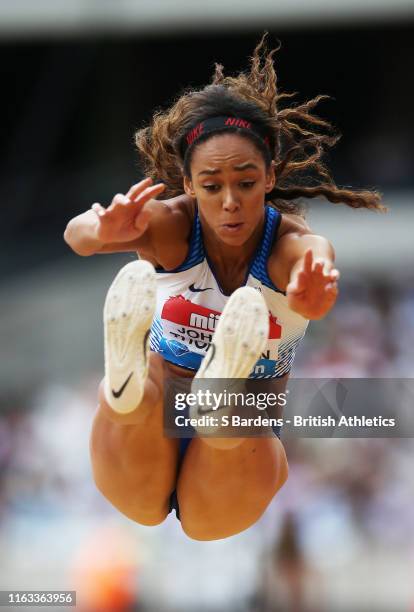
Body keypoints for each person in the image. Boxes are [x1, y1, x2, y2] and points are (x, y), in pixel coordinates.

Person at [64, 36, 384, 541]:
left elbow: (316, 261)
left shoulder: (290, 246)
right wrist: (102, 229)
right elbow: (77, 235)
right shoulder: (170, 225)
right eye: (212, 186)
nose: (230, 201)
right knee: (151, 500)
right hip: (156, 413)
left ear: (270, 176)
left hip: (239, 428)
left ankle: (201, 398)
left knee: (208, 492)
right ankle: (127, 390)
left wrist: (311, 297)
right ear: (189, 184)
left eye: (247, 182)